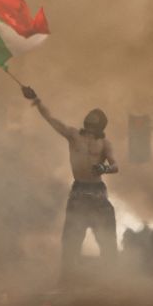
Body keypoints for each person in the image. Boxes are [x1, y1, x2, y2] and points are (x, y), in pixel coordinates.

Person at [22, 86, 119, 283]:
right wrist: (37, 101)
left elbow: (115, 165)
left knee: (107, 242)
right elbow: (51, 120)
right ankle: (67, 282)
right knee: (71, 242)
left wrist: (103, 168)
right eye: (90, 119)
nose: (91, 122)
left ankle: (113, 282)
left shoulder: (104, 144)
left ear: (101, 125)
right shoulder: (74, 135)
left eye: (95, 120)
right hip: (79, 192)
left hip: (98, 194)